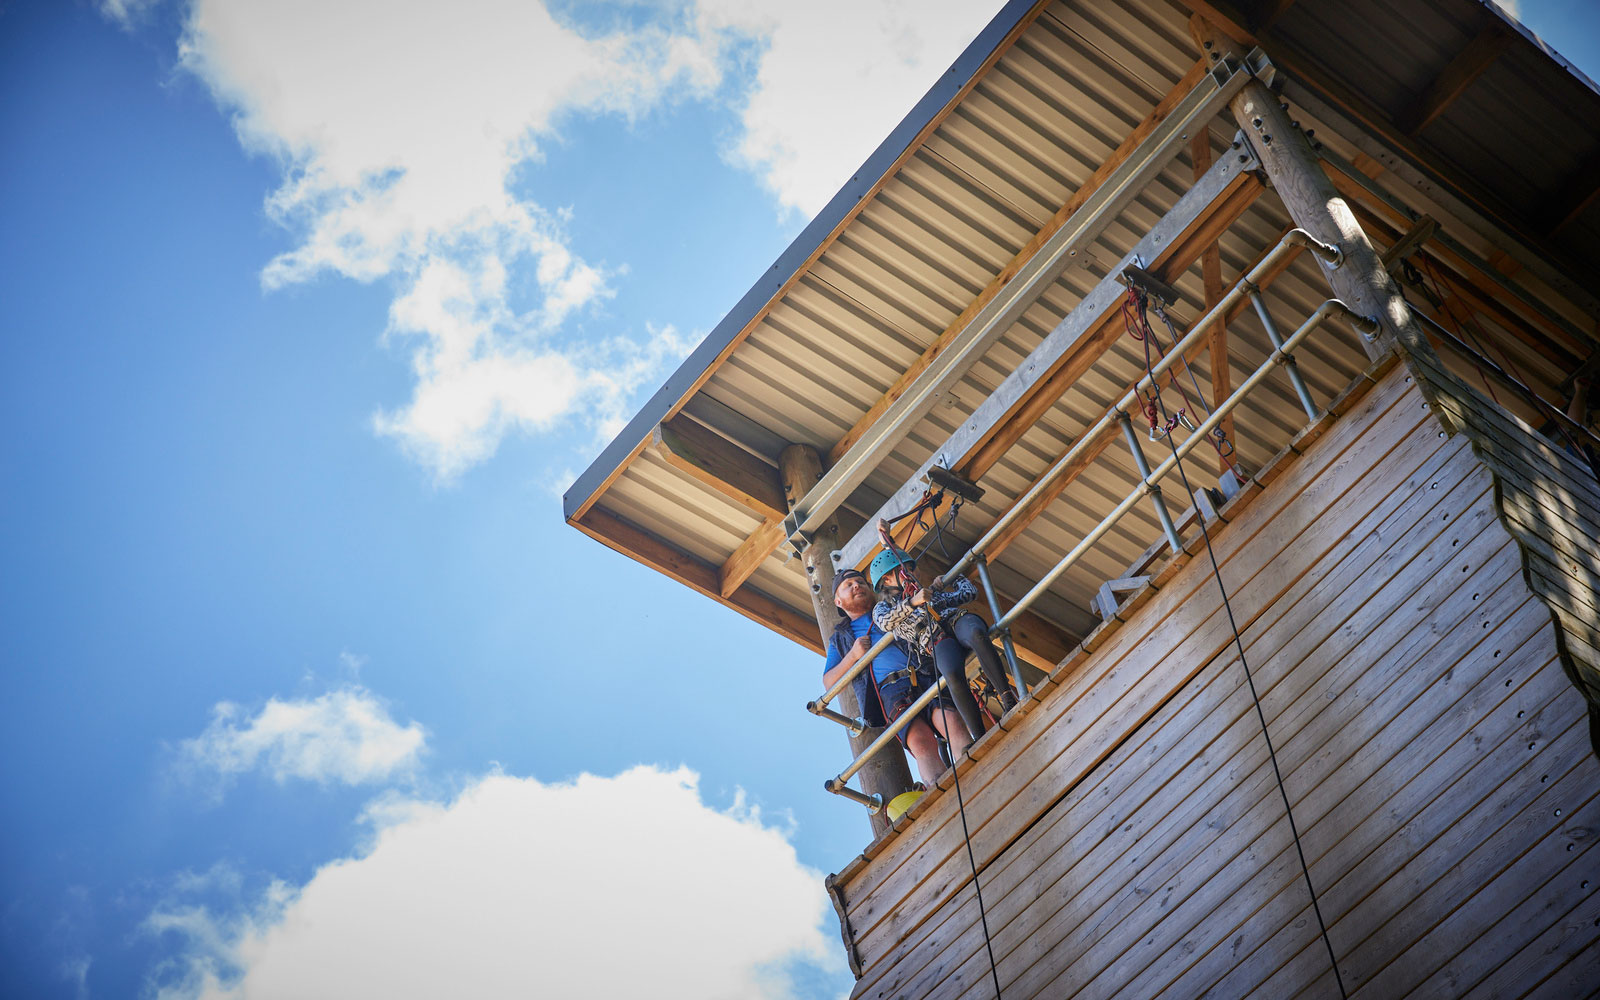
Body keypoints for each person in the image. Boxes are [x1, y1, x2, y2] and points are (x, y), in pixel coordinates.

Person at [821, 568, 971, 787]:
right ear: (838, 601)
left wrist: (936, 587)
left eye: (860, 582)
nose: (856, 586)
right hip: (891, 691)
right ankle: (939, 788)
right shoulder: (841, 638)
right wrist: (853, 655)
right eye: (848, 585)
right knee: (920, 743)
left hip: (923, 671)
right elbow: (829, 682)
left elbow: (921, 599)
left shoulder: (892, 607)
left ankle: (973, 764)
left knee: (950, 721)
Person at [869, 528, 1019, 742]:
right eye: (904, 570)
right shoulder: (883, 608)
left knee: (977, 634)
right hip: (933, 638)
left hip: (954, 620)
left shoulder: (927, 592)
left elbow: (968, 594)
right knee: (951, 672)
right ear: (886, 580)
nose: (911, 573)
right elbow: (885, 623)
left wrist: (950, 580)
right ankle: (979, 735)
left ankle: (1007, 698)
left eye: (912, 568)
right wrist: (913, 602)